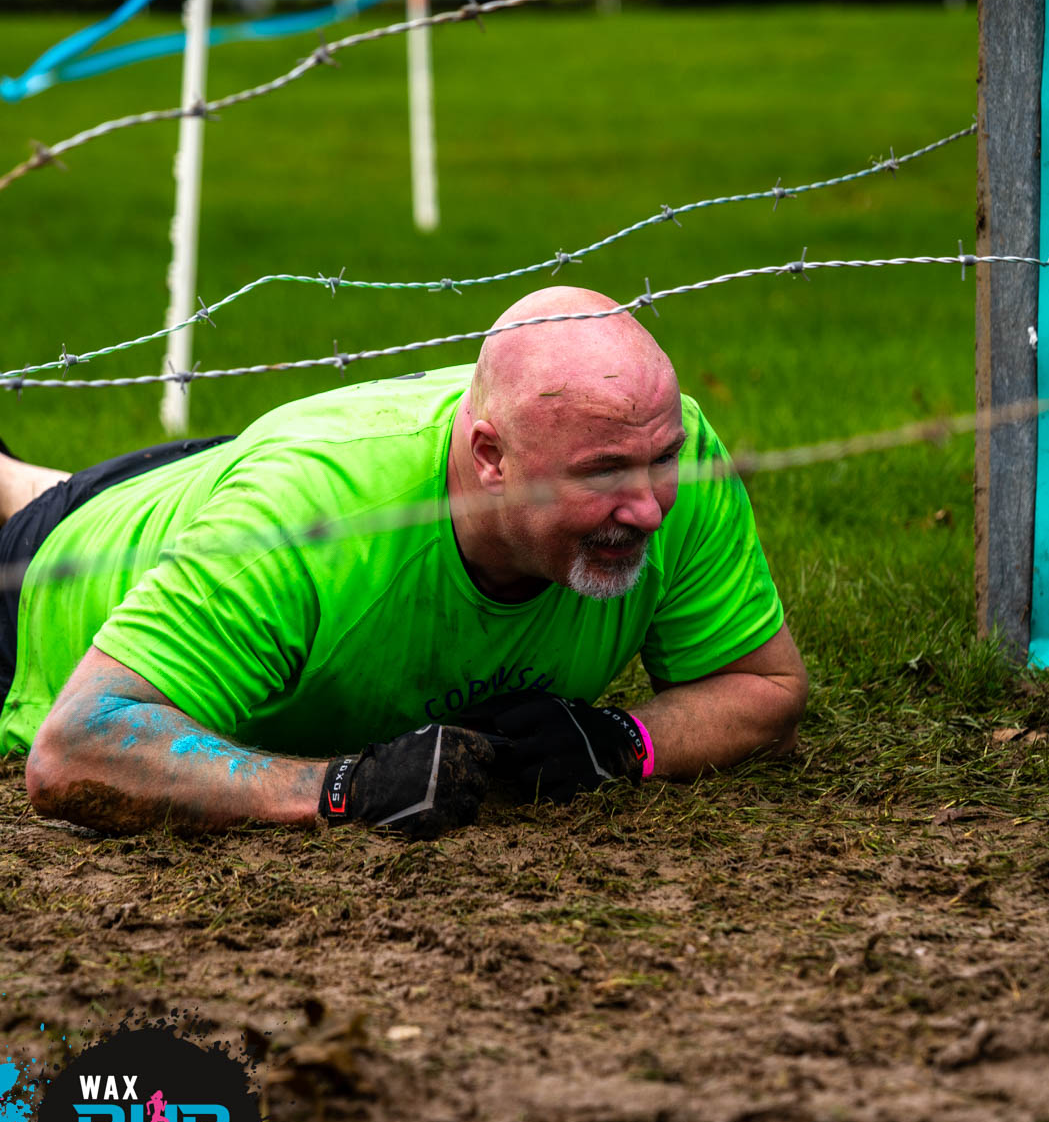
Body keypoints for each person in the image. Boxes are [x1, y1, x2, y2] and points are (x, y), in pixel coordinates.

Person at [4, 286, 807, 838]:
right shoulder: (305, 527)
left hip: (224, 478)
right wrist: (342, 788)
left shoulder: (662, 445)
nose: (650, 508)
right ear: (491, 457)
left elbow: (765, 688)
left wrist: (622, 740)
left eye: (660, 461)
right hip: (58, 567)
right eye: (600, 476)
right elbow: (77, 748)